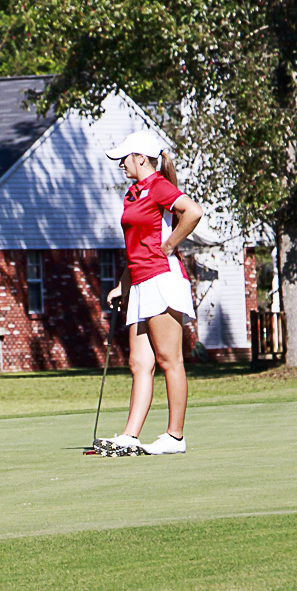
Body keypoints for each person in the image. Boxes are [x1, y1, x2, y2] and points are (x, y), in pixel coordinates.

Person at [100, 130, 203, 455]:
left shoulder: (158, 186)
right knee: (138, 362)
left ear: (140, 158)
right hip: (141, 281)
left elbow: (193, 211)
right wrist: (122, 284)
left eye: (124, 159)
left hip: (162, 279)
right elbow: (136, 248)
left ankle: (175, 437)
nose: (121, 164)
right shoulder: (133, 193)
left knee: (169, 359)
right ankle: (131, 435)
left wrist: (170, 245)